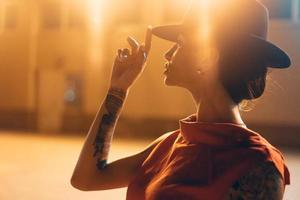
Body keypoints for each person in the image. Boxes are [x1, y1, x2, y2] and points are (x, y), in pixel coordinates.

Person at [70, 0, 291, 199]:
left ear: (206, 57)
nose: (167, 54)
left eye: (180, 43)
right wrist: (117, 90)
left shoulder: (258, 166)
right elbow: (86, 179)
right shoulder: (169, 144)